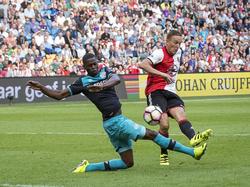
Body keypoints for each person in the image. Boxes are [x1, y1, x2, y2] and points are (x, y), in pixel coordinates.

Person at [27, 53, 208, 173]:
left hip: (112, 123)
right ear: (84, 67)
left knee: (127, 163)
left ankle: (86, 168)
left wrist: (102, 85)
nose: (93, 67)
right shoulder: (82, 82)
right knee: (153, 134)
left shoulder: (105, 71)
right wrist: (42, 88)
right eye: (89, 66)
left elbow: (116, 79)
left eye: (95, 63)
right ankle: (194, 152)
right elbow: (59, 95)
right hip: (115, 122)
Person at [139, 30, 212, 166]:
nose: (177, 46)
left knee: (181, 116)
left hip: (171, 92)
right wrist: (163, 74)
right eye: (175, 43)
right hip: (156, 91)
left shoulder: (179, 52)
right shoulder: (159, 53)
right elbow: (142, 65)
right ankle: (164, 153)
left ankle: (193, 138)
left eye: (179, 43)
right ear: (167, 42)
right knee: (165, 125)